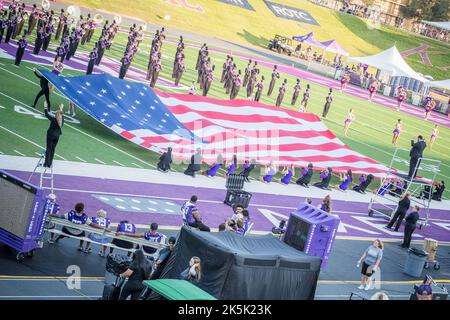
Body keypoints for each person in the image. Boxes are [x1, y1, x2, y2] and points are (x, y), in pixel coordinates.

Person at [43, 102, 64, 168]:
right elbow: (61, 114)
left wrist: (45, 107)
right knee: (53, 149)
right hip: (57, 136)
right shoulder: (62, 120)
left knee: (48, 149)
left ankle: (46, 163)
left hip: (50, 135)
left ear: (56, 115)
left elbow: (46, 114)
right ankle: (50, 163)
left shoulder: (54, 119)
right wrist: (61, 108)